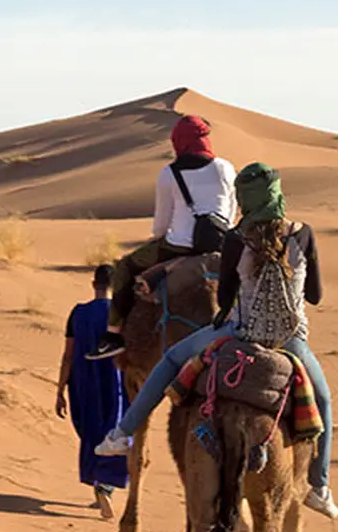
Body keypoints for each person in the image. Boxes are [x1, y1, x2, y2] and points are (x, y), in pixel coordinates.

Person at [94, 162, 338, 518]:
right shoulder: (303, 233)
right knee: (324, 401)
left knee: (171, 361)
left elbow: (225, 299)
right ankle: (319, 485)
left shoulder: (237, 239)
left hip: (239, 331)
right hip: (291, 341)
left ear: (245, 199)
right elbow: (314, 295)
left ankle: (122, 434)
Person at [87, 114, 237, 360]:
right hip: (222, 244)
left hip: (179, 247)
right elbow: (231, 212)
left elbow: (159, 228)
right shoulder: (225, 168)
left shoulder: (169, 174)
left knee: (125, 267)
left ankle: (113, 336)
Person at [56, 264, 131, 519]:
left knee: (91, 431)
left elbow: (67, 356)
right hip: (116, 382)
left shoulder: (78, 313)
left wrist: (60, 390)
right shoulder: (122, 314)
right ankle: (105, 486)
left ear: (93, 284)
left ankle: (99, 485)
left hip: (84, 382)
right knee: (115, 431)